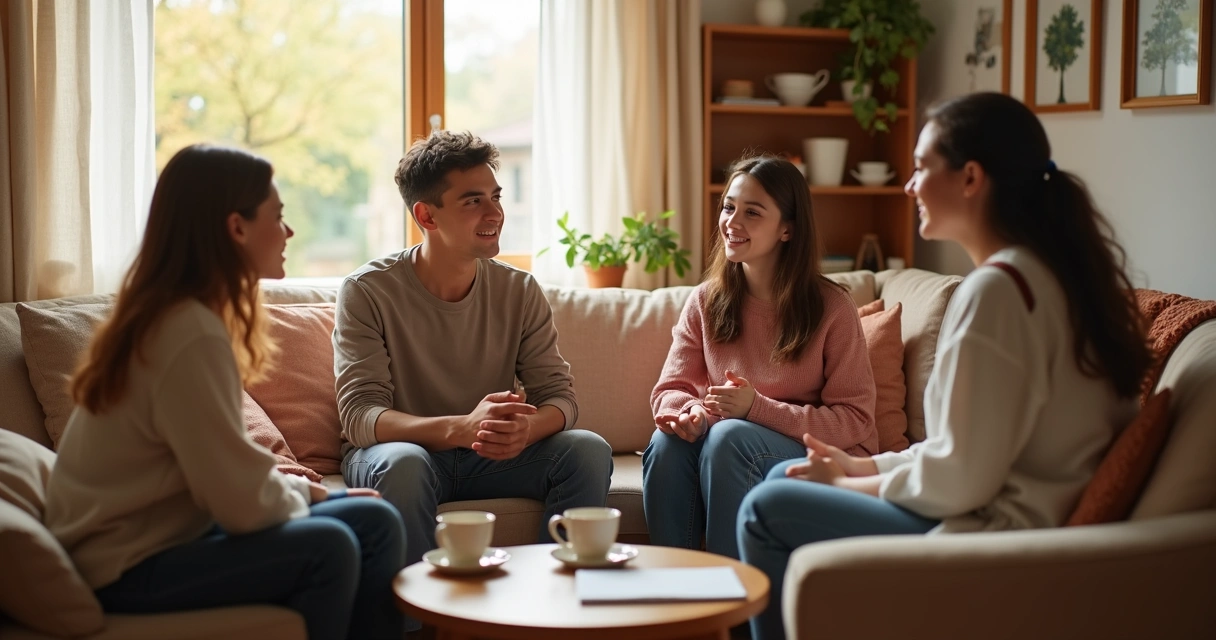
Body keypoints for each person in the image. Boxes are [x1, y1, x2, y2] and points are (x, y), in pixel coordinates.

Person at [737, 92, 1154, 640]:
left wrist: (847, 481)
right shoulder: (1049, 274)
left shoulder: (1001, 292)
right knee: (778, 477)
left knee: (765, 506)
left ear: (971, 178)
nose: (909, 186)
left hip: (1002, 535)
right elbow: (964, 450)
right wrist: (858, 468)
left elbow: (960, 481)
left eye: (920, 168)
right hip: (1003, 507)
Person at [44, 144, 407, 640]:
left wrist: (312, 492)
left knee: (373, 518)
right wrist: (313, 498)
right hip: (123, 565)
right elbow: (240, 501)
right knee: (331, 544)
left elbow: (229, 471)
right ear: (236, 227)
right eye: (277, 217)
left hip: (166, 535)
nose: (288, 231)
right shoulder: (185, 331)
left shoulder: (185, 316)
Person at [333, 130, 613, 572]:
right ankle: (416, 623)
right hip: (403, 455)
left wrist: (529, 429)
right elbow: (360, 416)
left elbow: (561, 399)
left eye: (495, 197)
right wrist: (458, 429)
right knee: (405, 463)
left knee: (587, 450)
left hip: (490, 458)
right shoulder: (367, 291)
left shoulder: (519, 289)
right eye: (473, 201)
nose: (495, 212)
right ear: (426, 215)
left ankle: (554, 603)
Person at [642, 153, 878, 560]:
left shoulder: (831, 306)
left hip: (817, 452)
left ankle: (730, 596)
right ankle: (674, 592)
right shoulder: (706, 300)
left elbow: (856, 420)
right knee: (667, 445)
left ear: (787, 229)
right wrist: (689, 414)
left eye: (752, 212)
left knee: (729, 436)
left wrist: (756, 408)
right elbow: (672, 388)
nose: (732, 223)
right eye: (729, 207)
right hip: (729, 440)